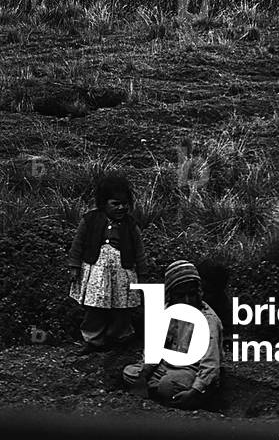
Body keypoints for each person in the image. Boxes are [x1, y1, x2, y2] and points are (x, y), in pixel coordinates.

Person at [122, 260, 223, 409]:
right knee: (130, 373)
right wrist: (143, 374)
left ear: (199, 293)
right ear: (171, 295)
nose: (187, 301)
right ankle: (160, 392)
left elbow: (210, 364)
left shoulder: (208, 321)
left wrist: (195, 391)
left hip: (191, 370)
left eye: (191, 294)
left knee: (167, 385)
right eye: (181, 296)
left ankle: (195, 397)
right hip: (165, 366)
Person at [68, 172, 147, 353]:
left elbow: (140, 251)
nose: (121, 208)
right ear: (103, 203)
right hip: (96, 272)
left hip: (122, 272)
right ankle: (93, 339)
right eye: (115, 204)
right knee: (95, 307)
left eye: (125, 204)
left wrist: (142, 274)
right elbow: (78, 244)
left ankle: (119, 337)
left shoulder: (130, 225)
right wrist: (74, 266)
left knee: (122, 308)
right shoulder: (90, 220)